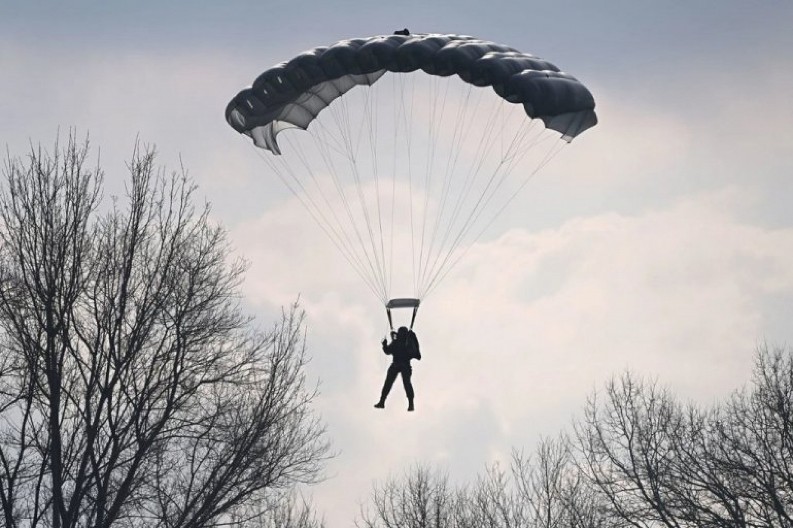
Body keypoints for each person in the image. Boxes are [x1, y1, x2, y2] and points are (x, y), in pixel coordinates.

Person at [374, 326, 421, 411]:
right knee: (388, 383)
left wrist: (412, 339)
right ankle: (382, 401)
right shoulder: (396, 342)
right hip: (395, 364)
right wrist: (384, 345)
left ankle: (411, 403)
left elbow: (415, 354)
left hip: (405, 365)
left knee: (406, 383)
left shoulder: (409, 341)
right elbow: (388, 351)